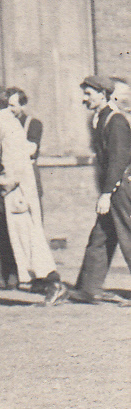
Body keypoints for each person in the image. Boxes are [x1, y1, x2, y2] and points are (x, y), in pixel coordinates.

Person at [48, 77, 131, 306]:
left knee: (128, 235)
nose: (84, 99)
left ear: (103, 94)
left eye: (88, 94)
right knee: (100, 237)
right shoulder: (99, 118)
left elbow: (119, 159)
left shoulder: (116, 121)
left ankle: (89, 287)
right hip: (113, 187)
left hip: (121, 188)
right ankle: (89, 288)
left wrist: (106, 193)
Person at [0, 86, 60, 298]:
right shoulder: (0, 122)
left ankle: (53, 284)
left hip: (15, 193)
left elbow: (15, 163)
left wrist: (3, 183)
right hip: (6, 191)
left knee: (28, 240)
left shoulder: (7, 125)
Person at [6, 87, 44, 208]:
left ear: (22, 106)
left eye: (12, 105)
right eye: (6, 105)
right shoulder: (0, 123)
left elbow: (30, 150)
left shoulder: (33, 124)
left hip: (27, 178)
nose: (8, 110)